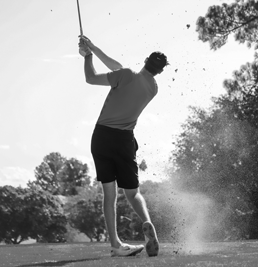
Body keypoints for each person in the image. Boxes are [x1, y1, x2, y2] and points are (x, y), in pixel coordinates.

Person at [78, 36, 168, 257]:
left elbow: (91, 78)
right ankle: (147, 222)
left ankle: (116, 244)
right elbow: (119, 69)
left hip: (102, 137)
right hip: (124, 140)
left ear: (145, 60)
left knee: (109, 194)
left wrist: (87, 55)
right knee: (133, 193)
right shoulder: (152, 88)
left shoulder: (125, 75)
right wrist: (95, 47)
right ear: (160, 71)